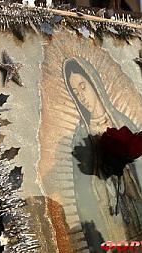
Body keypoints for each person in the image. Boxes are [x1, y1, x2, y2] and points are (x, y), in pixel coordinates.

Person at [64, 58, 142, 248]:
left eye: (83, 87)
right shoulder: (81, 136)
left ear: (94, 84)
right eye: (75, 92)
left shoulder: (120, 121)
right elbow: (84, 196)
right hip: (111, 224)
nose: (81, 96)